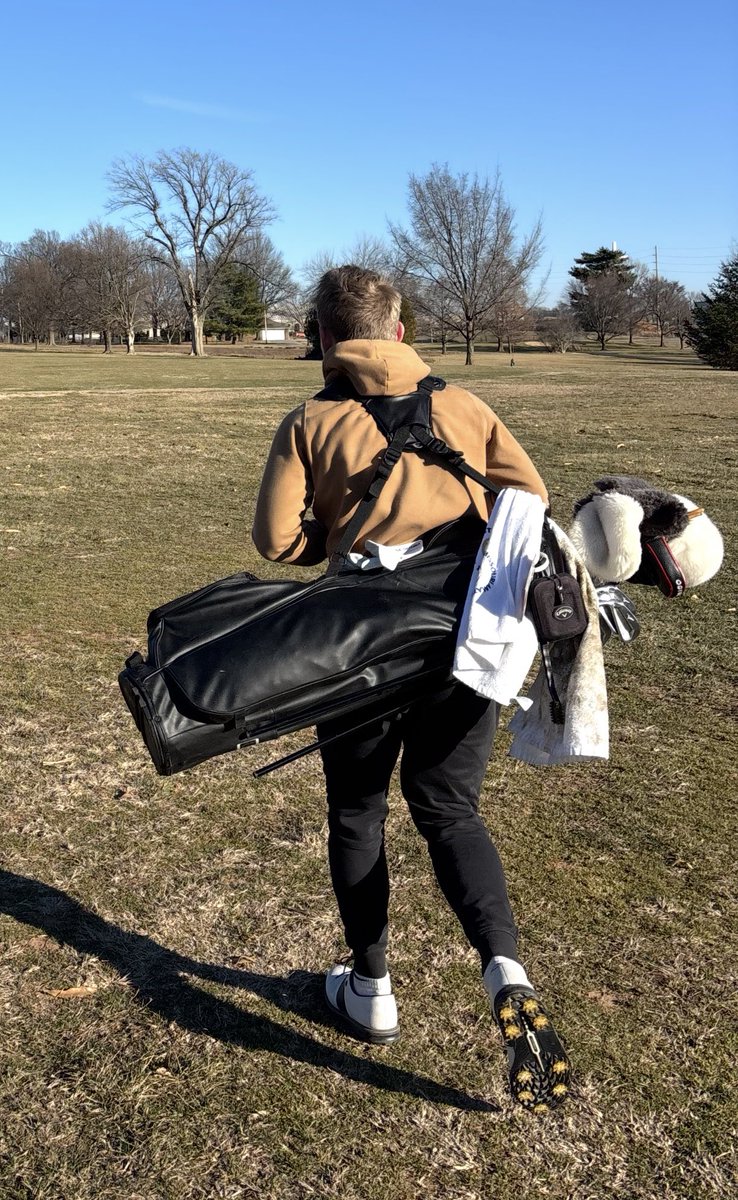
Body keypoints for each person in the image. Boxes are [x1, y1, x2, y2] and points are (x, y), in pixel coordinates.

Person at [252, 265, 571, 1112]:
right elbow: (528, 500)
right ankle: (506, 967)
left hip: (353, 647)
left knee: (357, 811)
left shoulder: (311, 420)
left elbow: (274, 540)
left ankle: (371, 986)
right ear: (398, 332)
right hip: (461, 647)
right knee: (450, 809)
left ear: (323, 337)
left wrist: (336, 530)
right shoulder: (463, 405)